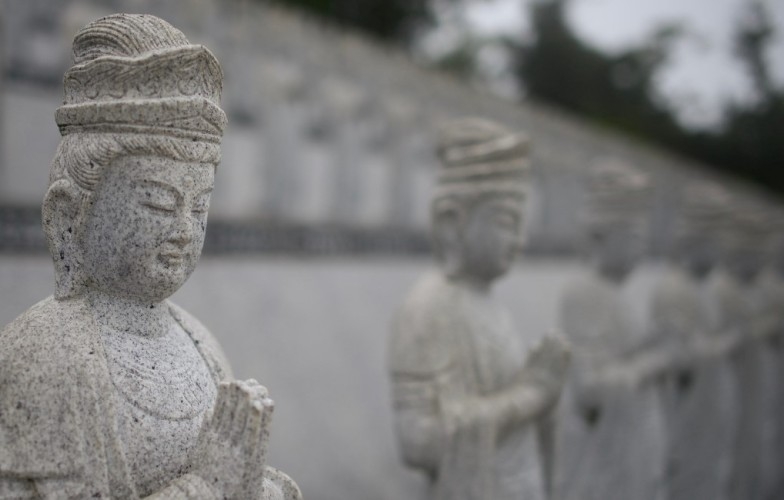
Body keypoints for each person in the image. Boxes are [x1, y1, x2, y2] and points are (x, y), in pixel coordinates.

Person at [0, 14, 299, 499]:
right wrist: (208, 486)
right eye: (157, 203)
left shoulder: (199, 342)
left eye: (199, 206)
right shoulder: (44, 354)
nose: (184, 229)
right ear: (71, 214)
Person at [387, 117, 570, 500]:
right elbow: (417, 441)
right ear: (453, 221)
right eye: (507, 222)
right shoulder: (428, 308)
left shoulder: (491, 304)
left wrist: (539, 391)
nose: (519, 242)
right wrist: (530, 396)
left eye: (522, 226)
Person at [554, 161, 666, 500]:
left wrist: (649, 343)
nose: (641, 248)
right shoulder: (583, 294)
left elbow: (618, 353)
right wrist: (654, 363)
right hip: (602, 455)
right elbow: (590, 388)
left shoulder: (617, 294)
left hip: (630, 446)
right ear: (603, 236)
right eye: (633, 237)